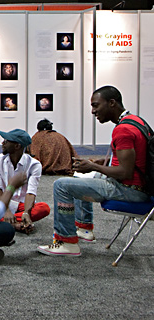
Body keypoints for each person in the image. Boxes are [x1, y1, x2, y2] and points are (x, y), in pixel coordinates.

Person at [38, 86, 150, 256]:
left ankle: (67, 242)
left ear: (111, 103)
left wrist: (93, 166)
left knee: (61, 185)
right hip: (138, 186)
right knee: (82, 176)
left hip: (130, 190)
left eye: (96, 105)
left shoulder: (123, 130)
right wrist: (98, 163)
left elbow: (125, 173)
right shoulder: (136, 121)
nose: (93, 111)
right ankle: (84, 228)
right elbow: (133, 160)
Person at [0, 129, 51, 233]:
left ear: (17, 146)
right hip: (4, 202)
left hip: (23, 205)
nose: (2, 143)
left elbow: (31, 192)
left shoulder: (34, 165)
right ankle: (15, 224)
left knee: (43, 208)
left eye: (6, 141)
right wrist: (6, 210)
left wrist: (27, 213)